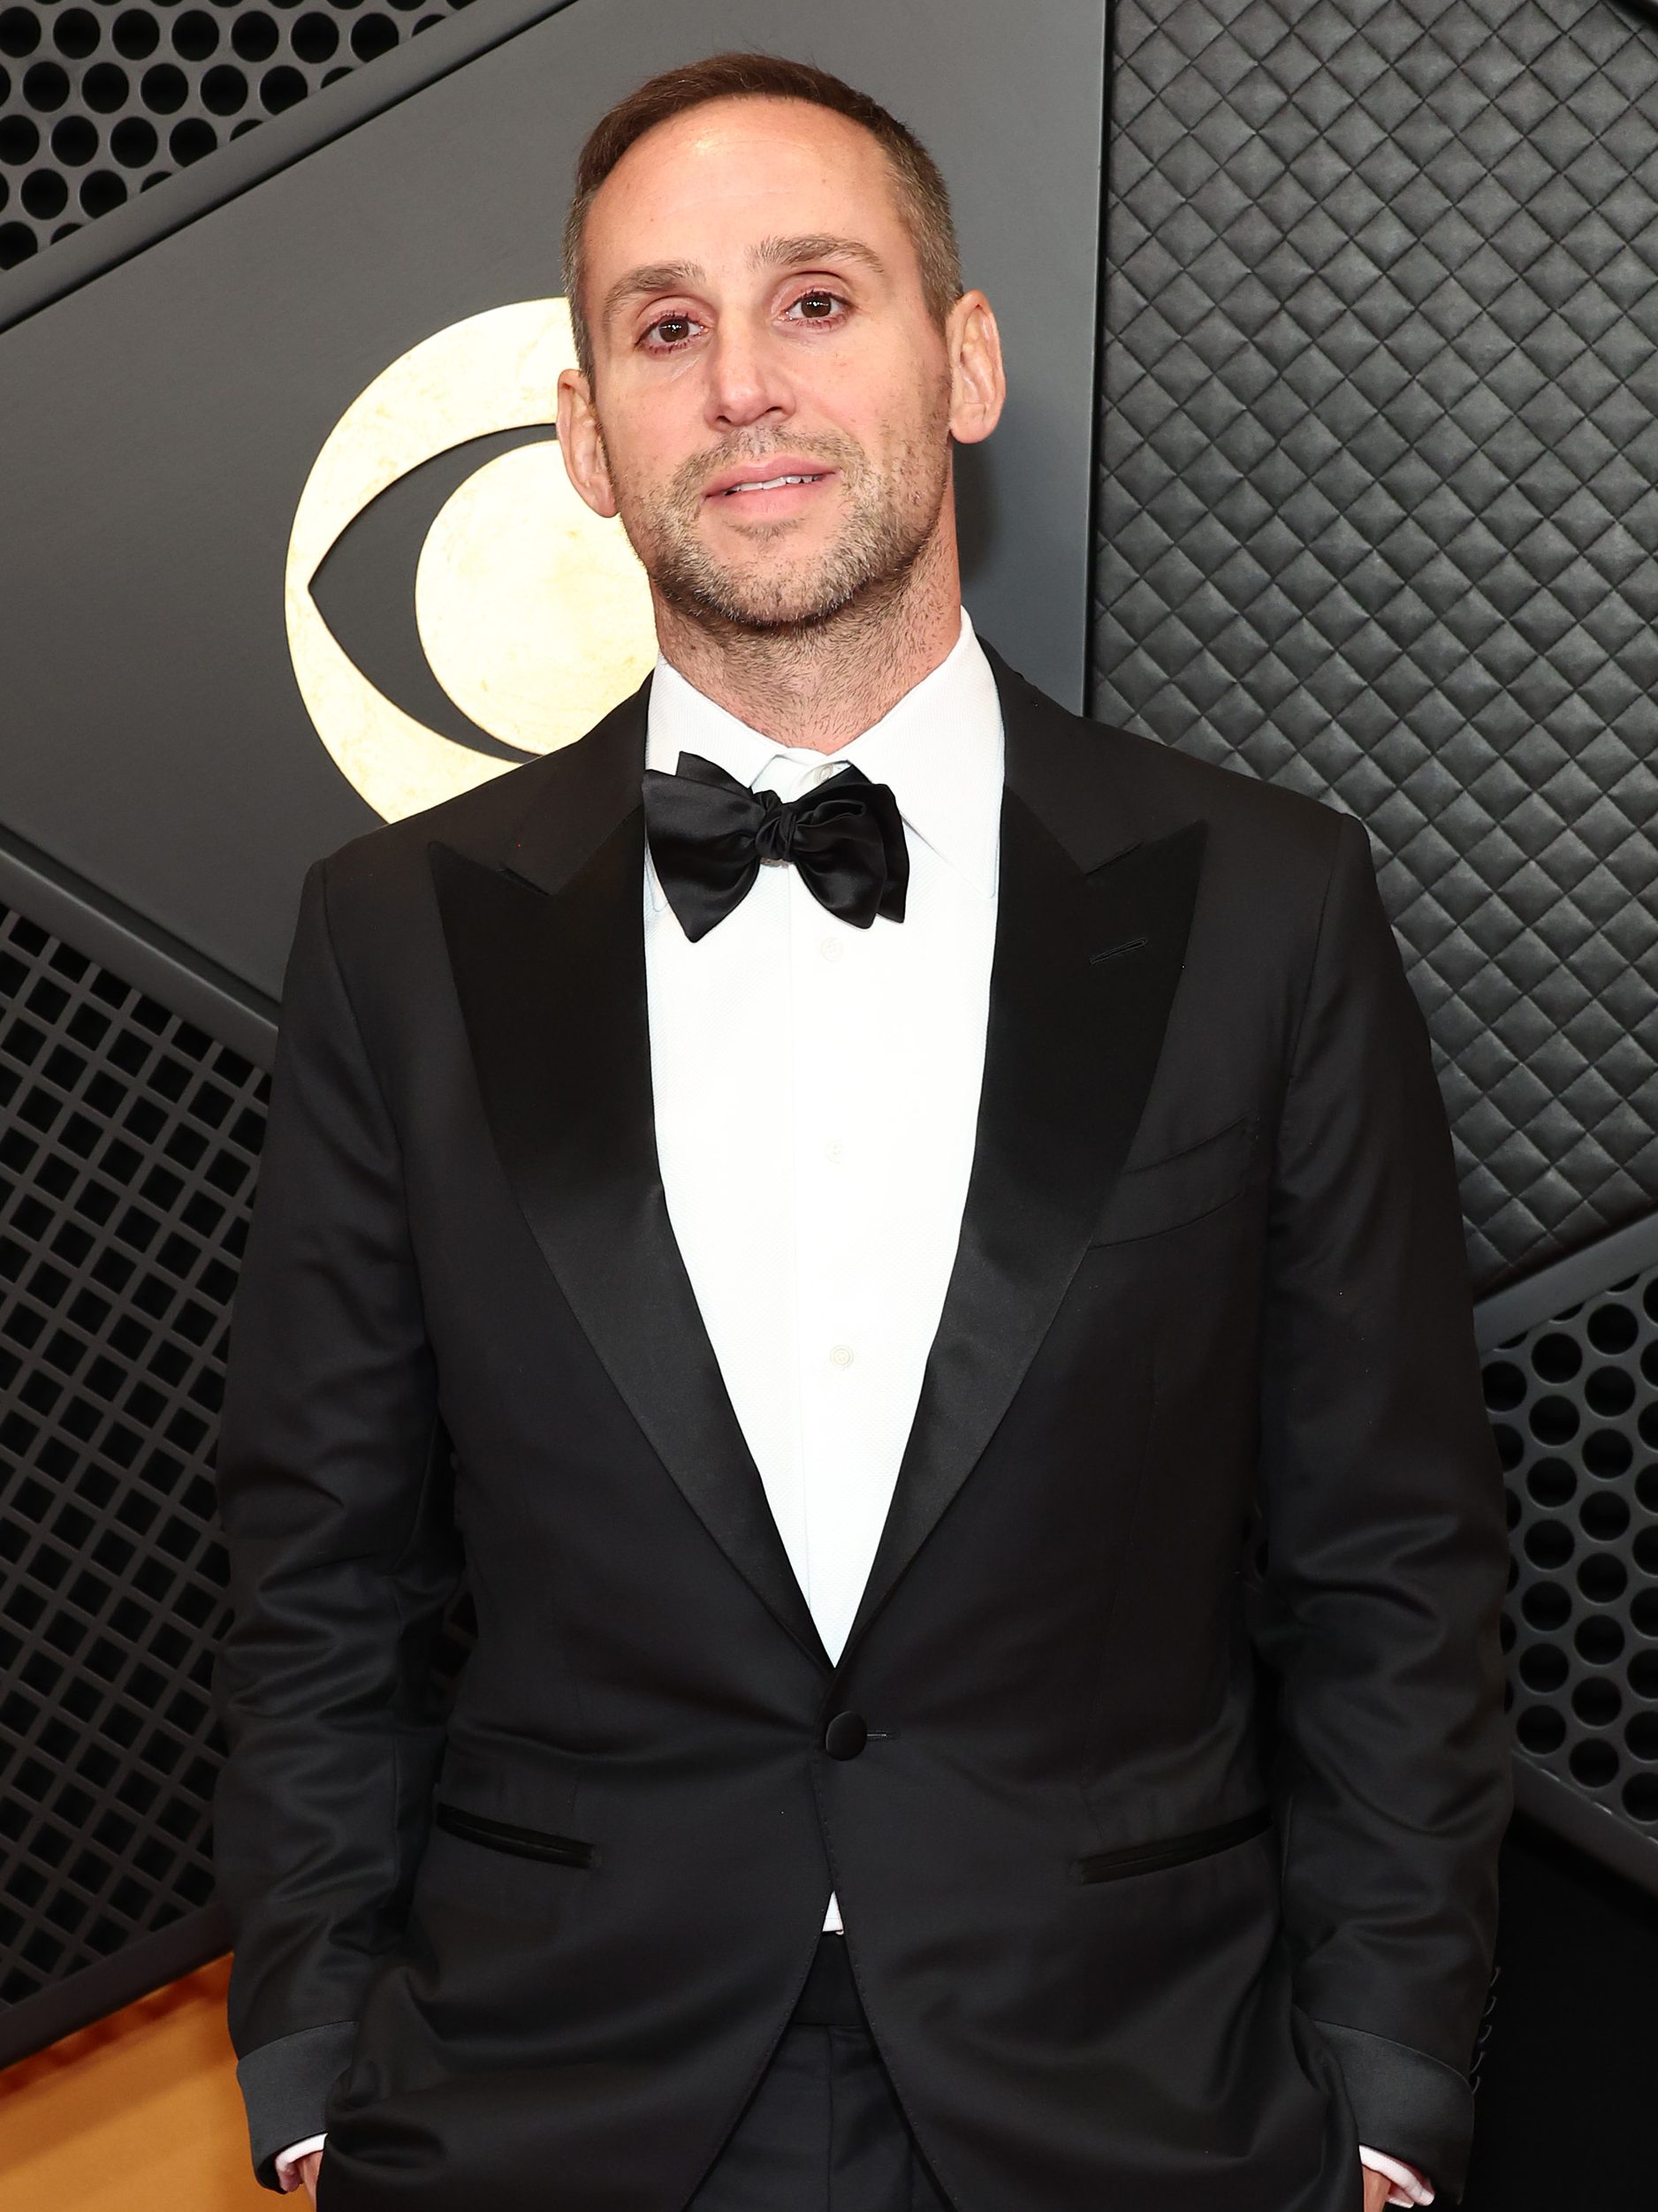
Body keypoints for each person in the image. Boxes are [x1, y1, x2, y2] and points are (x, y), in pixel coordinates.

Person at [212, 50, 1512, 2212]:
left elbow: (1387, 1550)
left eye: (812, 299)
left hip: (1138, 2103)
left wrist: (1383, 2093)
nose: (739, 383)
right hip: (545, 2108)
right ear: (580, 434)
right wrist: (317, 2072)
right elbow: (320, 1570)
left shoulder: (1268, 903)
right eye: (662, 326)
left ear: (963, 359)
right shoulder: (393, 941)